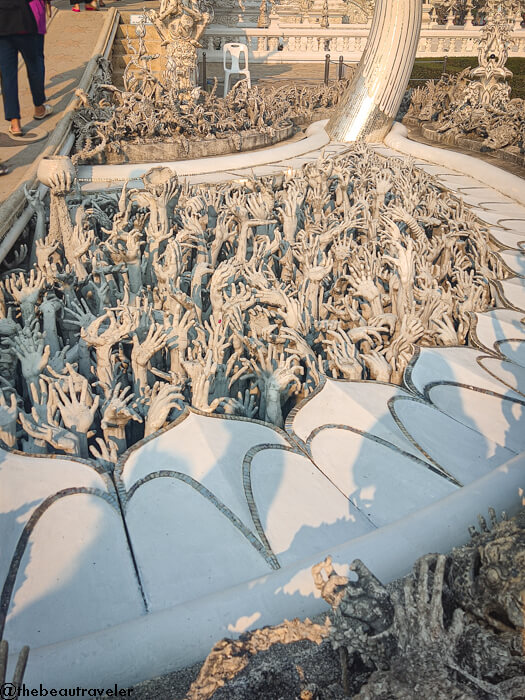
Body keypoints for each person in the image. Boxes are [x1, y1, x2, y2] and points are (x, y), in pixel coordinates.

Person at [0, 0, 53, 138]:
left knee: (7, 75)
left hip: (3, 24)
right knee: (34, 66)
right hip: (24, 22)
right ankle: (39, 108)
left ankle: (15, 123)